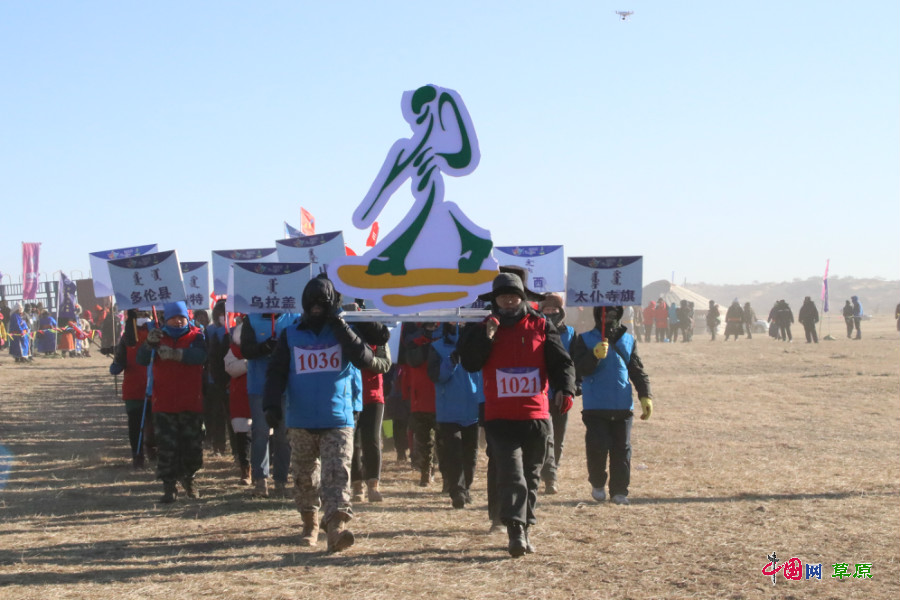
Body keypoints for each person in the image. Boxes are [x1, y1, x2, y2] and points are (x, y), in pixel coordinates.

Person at [458, 273, 576, 557]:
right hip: (500, 417)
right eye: (502, 296)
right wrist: (487, 336)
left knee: (531, 475)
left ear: (523, 298)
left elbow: (561, 362)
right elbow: (470, 363)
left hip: (535, 415)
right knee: (511, 475)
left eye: (513, 295)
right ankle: (514, 531)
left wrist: (567, 388)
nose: (508, 300)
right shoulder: (483, 327)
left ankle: (525, 525)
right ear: (495, 300)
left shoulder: (541, 323)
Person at [262, 276, 377, 552]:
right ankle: (310, 523)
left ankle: (337, 529)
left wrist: (343, 326)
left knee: (337, 475)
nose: (316, 309)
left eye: (322, 304)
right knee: (304, 476)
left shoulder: (343, 332)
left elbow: (364, 360)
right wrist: (271, 404)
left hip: (337, 419)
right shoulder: (290, 334)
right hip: (300, 420)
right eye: (311, 304)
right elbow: (276, 372)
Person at [570, 305, 652, 506]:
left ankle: (619, 491)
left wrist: (645, 395)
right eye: (605, 314)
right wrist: (593, 356)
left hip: (623, 405)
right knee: (598, 447)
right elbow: (579, 370)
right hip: (595, 405)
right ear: (598, 315)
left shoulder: (628, 340)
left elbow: (637, 370)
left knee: (622, 449)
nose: (610, 317)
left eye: (614, 314)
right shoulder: (585, 339)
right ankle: (597, 483)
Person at [136, 301, 208, 503]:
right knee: (167, 447)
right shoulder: (158, 337)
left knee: (192, 447)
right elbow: (141, 360)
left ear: (187, 318)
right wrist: (148, 344)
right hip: (164, 403)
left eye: (181, 317)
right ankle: (169, 486)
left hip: (191, 403)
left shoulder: (197, 336)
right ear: (165, 319)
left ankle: (189, 478)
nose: (178, 321)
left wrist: (177, 354)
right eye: (173, 318)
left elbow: (200, 356)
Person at [240, 310, 297, 497]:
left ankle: (280, 481)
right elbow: (245, 350)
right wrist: (264, 347)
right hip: (259, 386)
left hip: (286, 386)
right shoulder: (252, 319)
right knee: (260, 432)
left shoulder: (294, 318)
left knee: (283, 435)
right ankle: (260, 479)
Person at [428, 322, 481, 509]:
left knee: (470, 455)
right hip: (448, 412)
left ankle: (466, 487)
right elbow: (436, 377)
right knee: (453, 453)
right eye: (452, 319)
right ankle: (457, 491)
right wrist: (450, 362)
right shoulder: (437, 347)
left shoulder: (477, 346)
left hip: (473, 410)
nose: (458, 323)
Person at [349, 316, 392, 503]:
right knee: (351, 443)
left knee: (372, 440)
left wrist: (367, 360)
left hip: (374, 395)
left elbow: (385, 364)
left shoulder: (378, 334)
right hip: (349, 396)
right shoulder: (346, 331)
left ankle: (373, 484)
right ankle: (356, 485)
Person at [538, 292, 576, 495]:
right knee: (545, 435)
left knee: (558, 435)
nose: (550, 312)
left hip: (561, 392)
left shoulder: (569, 333)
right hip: (540, 391)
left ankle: (553, 469)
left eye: (554, 309)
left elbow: (573, 362)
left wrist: (571, 387)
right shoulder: (536, 330)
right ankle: (548, 474)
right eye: (547, 309)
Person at [110, 309, 153, 468]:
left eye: (145, 315)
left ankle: (149, 453)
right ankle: (138, 455)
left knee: (152, 426)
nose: (143, 318)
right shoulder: (126, 339)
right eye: (139, 315)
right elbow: (119, 362)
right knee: (137, 426)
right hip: (134, 390)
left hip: (155, 389)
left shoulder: (159, 335)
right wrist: (116, 365)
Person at [204, 301, 231, 455]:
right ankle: (218, 445)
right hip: (214, 378)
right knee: (216, 414)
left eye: (225, 313)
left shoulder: (236, 329)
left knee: (232, 416)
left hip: (232, 377)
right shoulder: (210, 330)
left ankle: (234, 448)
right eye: (220, 314)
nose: (223, 317)